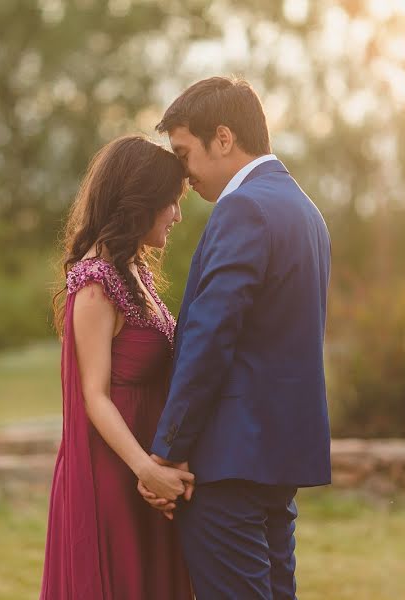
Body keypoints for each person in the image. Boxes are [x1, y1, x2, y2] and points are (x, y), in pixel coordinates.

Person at [139, 76, 333, 600]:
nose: (183, 175)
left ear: (223, 138)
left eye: (184, 154)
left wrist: (169, 451)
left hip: (226, 463)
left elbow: (210, 333)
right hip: (278, 463)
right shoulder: (307, 213)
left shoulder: (243, 208)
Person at [40, 135, 194, 599]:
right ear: (139, 201)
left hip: (146, 465)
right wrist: (145, 471)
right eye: (170, 202)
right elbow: (94, 395)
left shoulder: (134, 271)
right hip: (113, 473)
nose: (177, 215)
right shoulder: (93, 285)